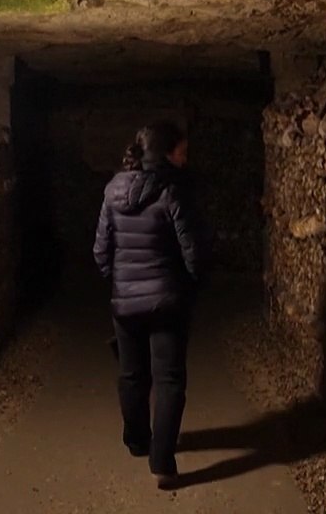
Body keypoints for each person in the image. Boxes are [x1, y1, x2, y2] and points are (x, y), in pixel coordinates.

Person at [93, 120, 204, 489]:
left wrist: (119, 281)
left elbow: (100, 250)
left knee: (132, 375)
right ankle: (162, 461)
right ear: (167, 153)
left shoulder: (112, 190)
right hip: (167, 301)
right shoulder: (172, 190)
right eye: (182, 152)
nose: (185, 159)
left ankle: (137, 440)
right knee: (169, 379)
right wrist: (189, 285)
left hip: (125, 303)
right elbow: (192, 249)